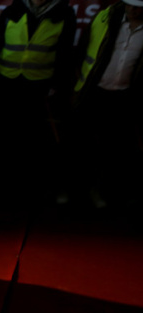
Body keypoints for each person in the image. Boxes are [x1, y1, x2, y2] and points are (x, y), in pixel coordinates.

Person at [0, 0, 75, 202]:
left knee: (32, 138)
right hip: (7, 83)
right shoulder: (13, 10)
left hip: (37, 87)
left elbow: (64, 52)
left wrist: (57, 85)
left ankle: (30, 190)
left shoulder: (64, 14)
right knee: (3, 137)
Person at [69, 0, 143, 209]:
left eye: (139, 6)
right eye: (130, 4)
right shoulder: (104, 19)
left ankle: (101, 190)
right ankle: (73, 190)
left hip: (124, 97)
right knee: (79, 144)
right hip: (93, 92)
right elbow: (82, 49)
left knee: (113, 150)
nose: (133, 9)